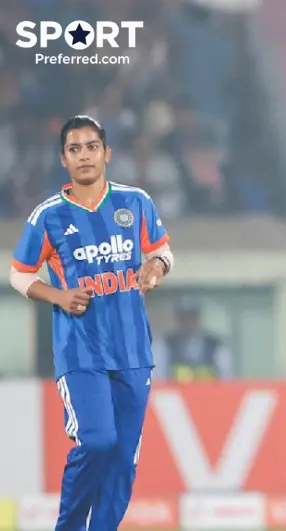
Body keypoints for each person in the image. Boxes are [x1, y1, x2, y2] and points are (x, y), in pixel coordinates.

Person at [8, 115, 174, 530]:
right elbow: (19, 274)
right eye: (74, 149)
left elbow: (163, 251)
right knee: (98, 441)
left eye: (92, 147)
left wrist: (156, 266)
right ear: (63, 159)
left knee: (123, 462)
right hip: (80, 351)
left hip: (133, 351)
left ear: (107, 154)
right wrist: (59, 295)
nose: (84, 155)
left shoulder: (136, 202)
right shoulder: (48, 216)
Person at [151, 297, 233, 381]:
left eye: (191, 317)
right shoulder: (165, 345)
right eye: (183, 318)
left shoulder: (215, 346)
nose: (188, 322)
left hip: (208, 389)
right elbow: (158, 379)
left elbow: (227, 379)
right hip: (174, 390)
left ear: (197, 318)